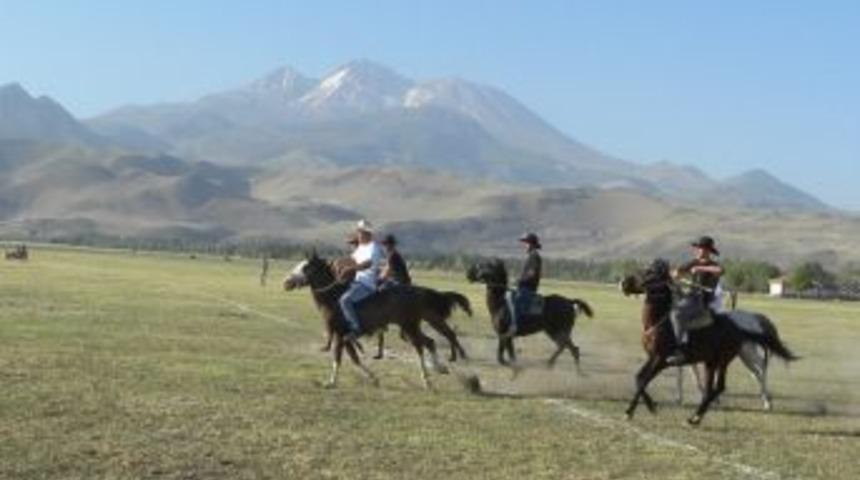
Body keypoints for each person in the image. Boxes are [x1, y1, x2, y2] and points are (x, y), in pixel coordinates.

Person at [667, 235, 724, 365]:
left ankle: (679, 351)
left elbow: (720, 270)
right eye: (698, 248)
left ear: (709, 251)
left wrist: (700, 268)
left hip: (702, 301)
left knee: (677, 314)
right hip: (689, 298)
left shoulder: (713, 265)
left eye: (702, 249)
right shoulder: (693, 262)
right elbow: (678, 271)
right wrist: (675, 273)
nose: (699, 251)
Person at [338, 220, 384, 341]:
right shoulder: (361, 248)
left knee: (345, 300)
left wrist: (350, 269)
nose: (358, 234)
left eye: (360, 232)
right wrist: (337, 263)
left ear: (367, 233)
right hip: (357, 282)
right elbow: (351, 260)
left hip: (367, 284)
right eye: (358, 232)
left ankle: (356, 329)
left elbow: (368, 263)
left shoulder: (374, 248)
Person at [504, 232, 543, 337]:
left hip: (528, 288)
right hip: (524, 286)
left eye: (526, 243)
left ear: (531, 244)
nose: (524, 245)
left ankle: (514, 326)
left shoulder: (535, 256)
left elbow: (532, 274)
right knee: (506, 294)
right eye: (524, 243)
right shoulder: (531, 256)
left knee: (512, 297)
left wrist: (518, 281)